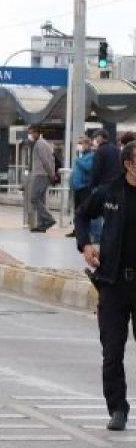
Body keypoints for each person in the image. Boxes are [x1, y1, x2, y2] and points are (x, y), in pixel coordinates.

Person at [75, 140, 136, 432]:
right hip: (113, 284)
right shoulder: (110, 192)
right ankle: (117, 409)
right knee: (112, 352)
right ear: (129, 164)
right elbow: (82, 214)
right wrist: (85, 244)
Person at [27, 126, 57, 233]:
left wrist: (52, 174)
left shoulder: (40, 144)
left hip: (41, 174)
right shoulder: (44, 143)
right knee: (41, 199)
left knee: (34, 198)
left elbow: (45, 161)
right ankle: (42, 224)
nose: (29, 135)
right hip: (43, 174)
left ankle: (48, 219)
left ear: (36, 132)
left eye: (31, 133)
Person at [68, 135, 95, 238]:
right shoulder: (81, 156)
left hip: (85, 187)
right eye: (78, 143)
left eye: (81, 143)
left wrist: (78, 161)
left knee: (84, 211)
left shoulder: (91, 156)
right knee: (77, 211)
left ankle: (85, 232)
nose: (79, 145)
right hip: (77, 188)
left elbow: (88, 167)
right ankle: (77, 230)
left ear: (87, 144)